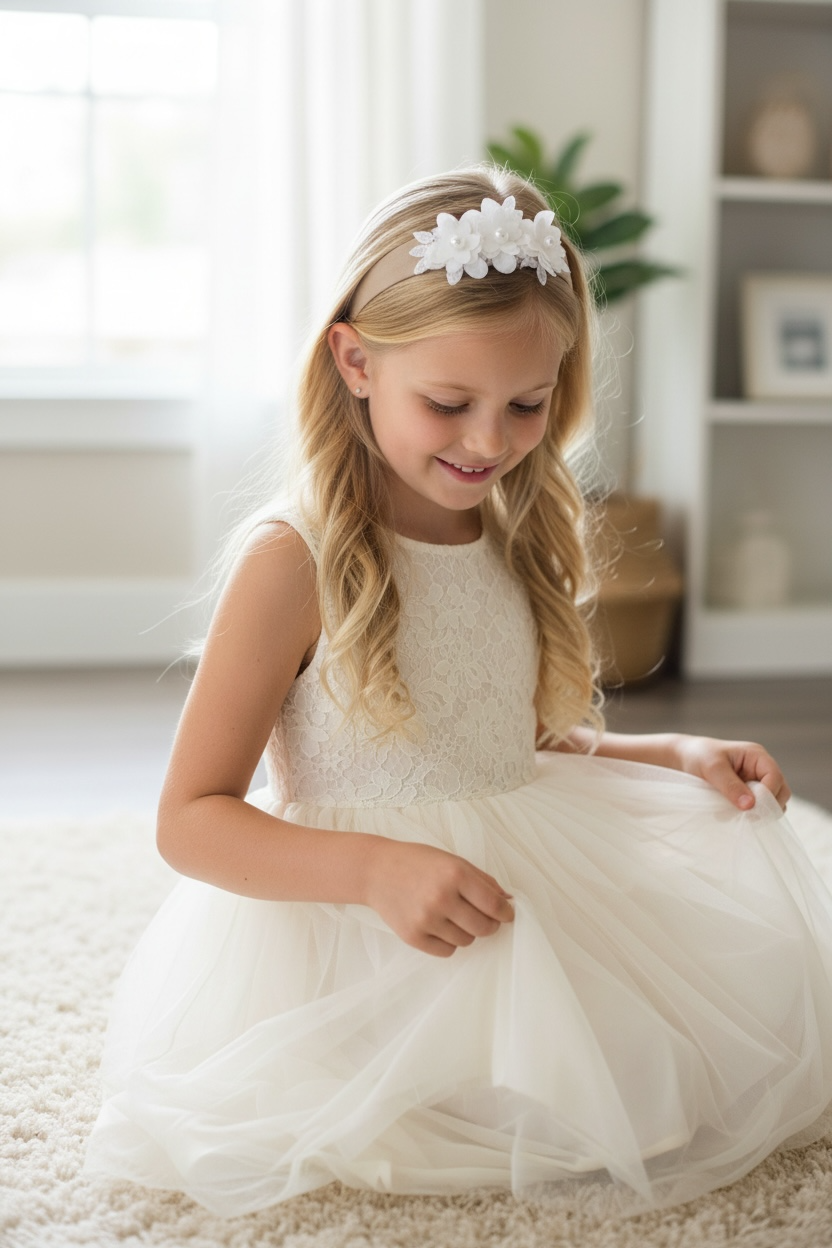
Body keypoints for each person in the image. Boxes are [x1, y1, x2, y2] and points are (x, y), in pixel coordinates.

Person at [84, 167, 832, 1218]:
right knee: (450, 1119)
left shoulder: (510, 532)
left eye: (526, 405)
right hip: (361, 920)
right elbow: (189, 820)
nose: (488, 441)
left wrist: (664, 753)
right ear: (353, 359)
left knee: (680, 1055)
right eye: (447, 403)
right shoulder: (293, 561)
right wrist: (376, 869)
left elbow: (499, 742)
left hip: (513, 874)